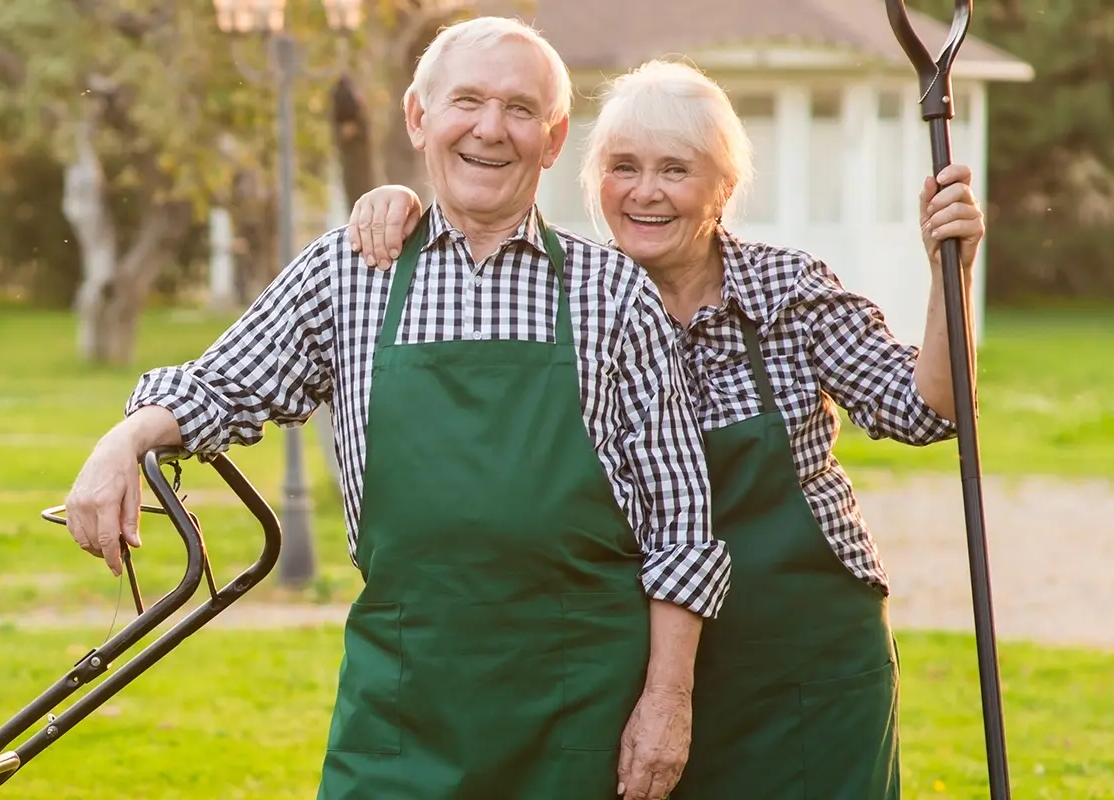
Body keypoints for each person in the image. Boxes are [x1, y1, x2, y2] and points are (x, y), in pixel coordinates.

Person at [63, 18, 731, 800]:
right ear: (418, 117)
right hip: (402, 708)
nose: (491, 129)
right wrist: (125, 440)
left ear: (553, 141)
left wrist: (667, 701)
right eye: (468, 102)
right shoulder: (352, 272)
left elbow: (683, 528)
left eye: (521, 111)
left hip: (580, 708)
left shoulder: (613, 293)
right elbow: (223, 384)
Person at [343, 58, 984, 799]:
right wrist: (395, 205)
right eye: (623, 167)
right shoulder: (578, 298)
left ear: (725, 189)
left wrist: (952, 273)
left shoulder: (788, 292)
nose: (645, 192)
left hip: (806, 663)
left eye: (675, 170)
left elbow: (929, 409)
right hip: (644, 668)